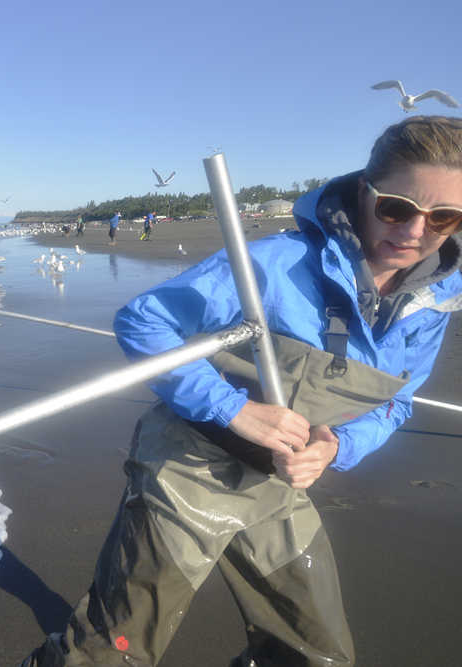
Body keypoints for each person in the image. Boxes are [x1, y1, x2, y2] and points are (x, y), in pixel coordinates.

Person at [23, 115, 462, 667]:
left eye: (444, 217)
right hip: (188, 466)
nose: (416, 232)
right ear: (363, 192)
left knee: (316, 654)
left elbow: (397, 401)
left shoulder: (439, 297)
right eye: (397, 207)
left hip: (278, 487)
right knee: (111, 650)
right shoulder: (275, 264)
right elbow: (145, 321)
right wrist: (233, 409)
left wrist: (338, 447)